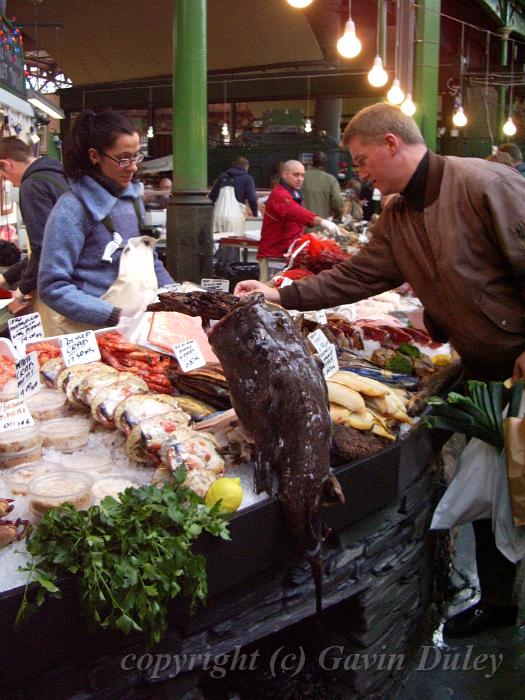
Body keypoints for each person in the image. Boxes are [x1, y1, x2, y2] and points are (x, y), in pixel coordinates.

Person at [236, 103, 525, 638]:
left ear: (392, 144)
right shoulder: (397, 214)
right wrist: (281, 294)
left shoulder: (484, 183)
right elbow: (358, 276)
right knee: (498, 488)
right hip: (484, 368)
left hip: (520, 366)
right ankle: (500, 601)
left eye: (364, 160)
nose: (360, 173)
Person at [39, 110, 174, 335]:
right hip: (92, 334)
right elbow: (52, 286)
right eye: (123, 158)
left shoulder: (131, 199)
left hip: (139, 329)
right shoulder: (72, 209)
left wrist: (176, 296)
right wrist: (114, 315)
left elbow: (149, 260)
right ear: (95, 156)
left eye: (136, 156)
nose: (132, 166)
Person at [0, 136, 68, 335]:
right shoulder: (58, 175)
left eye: (4, 177)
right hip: (76, 284)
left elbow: (44, 249)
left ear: (6, 164)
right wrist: (6, 277)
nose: (10, 184)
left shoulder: (32, 185)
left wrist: (20, 292)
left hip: (57, 288)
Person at [257, 159, 340, 282]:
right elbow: (294, 212)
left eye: (302, 175)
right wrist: (321, 221)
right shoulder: (280, 194)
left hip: (287, 254)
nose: (300, 179)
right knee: (266, 291)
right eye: (296, 175)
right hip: (274, 254)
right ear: (285, 174)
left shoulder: (295, 194)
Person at [209, 156, 258, 236]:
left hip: (218, 215)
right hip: (235, 217)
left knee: (219, 243)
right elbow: (252, 198)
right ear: (246, 167)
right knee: (233, 243)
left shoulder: (222, 177)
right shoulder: (247, 178)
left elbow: (212, 197)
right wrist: (255, 213)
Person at [302, 151, 343, 224]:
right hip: (322, 225)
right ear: (326, 164)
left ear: (312, 162)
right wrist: (338, 216)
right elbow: (337, 200)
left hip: (302, 224)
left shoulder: (301, 177)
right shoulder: (331, 180)